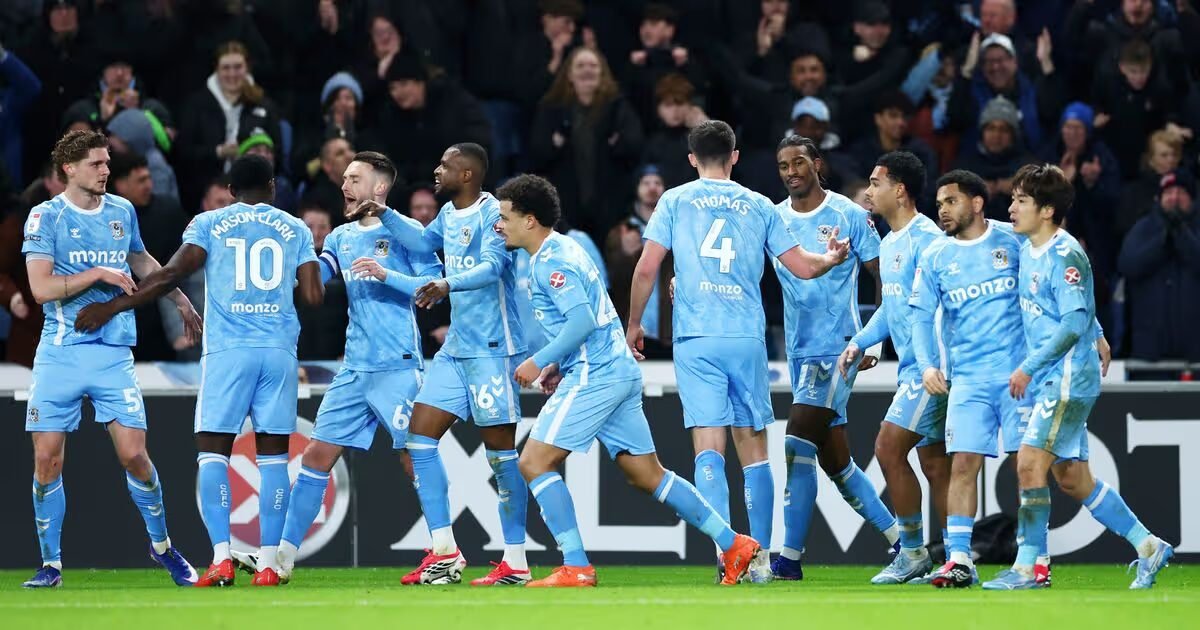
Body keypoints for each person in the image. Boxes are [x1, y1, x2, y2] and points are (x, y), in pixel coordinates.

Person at [496, 173, 763, 587]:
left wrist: (539, 359)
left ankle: (576, 566)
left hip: (596, 374)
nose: (499, 224)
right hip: (617, 370)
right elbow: (592, 318)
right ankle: (734, 545)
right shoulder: (565, 248)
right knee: (646, 474)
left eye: (505, 217)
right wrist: (557, 363)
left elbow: (582, 320)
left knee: (533, 462)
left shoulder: (551, 261)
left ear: (530, 220)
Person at [74, 154, 324, 587]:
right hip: (279, 351)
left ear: (230, 191)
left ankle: (222, 558)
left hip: (227, 352)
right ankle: (267, 565)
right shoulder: (297, 228)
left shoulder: (209, 224)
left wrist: (112, 306)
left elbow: (169, 275)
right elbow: (314, 296)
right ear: (272, 188)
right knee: (274, 459)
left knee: (213, 453)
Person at [626, 121, 850, 583]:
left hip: (696, 336)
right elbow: (803, 267)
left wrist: (634, 323)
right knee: (754, 447)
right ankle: (763, 559)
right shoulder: (760, 205)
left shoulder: (675, 200)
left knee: (709, 446)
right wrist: (830, 257)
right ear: (735, 156)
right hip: (746, 336)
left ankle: (728, 554)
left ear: (691, 158)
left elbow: (647, 267)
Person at [20, 129, 200, 588]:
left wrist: (177, 298)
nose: (106, 171)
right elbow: (40, 289)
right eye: (97, 164)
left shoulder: (121, 211)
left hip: (112, 353)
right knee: (47, 460)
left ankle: (162, 547)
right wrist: (98, 273)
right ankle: (51, 564)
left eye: (106, 163)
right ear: (70, 169)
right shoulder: (45, 219)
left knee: (135, 455)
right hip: (60, 352)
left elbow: (140, 262)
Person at [982, 164, 1172, 590]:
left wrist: (1028, 367)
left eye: (1021, 201)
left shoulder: (1064, 254)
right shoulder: (1030, 245)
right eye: (1012, 199)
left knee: (1029, 465)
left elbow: (1071, 323)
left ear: (1046, 210)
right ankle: (1148, 545)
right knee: (1071, 477)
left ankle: (1029, 569)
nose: (1011, 208)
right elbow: (1079, 306)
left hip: (1066, 375)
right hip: (1059, 373)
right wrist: (1100, 334)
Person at [255, 152, 442, 584]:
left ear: (379, 187)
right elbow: (318, 276)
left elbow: (433, 287)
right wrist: (296, 265)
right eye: (343, 178)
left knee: (415, 456)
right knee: (316, 456)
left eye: (354, 178)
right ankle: (281, 559)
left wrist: (385, 274)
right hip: (355, 368)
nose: (344, 185)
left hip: (397, 364)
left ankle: (445, 549)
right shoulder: (339, 236)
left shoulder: (407, 234)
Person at [360, 143, 529, 586]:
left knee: (500, 458)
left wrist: (446, 282)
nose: (436, 171)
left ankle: (515, 560)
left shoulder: (495, 214)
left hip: (493, 351)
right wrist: (386, 213)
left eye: (445, 165)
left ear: (468, 174)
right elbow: (421, 239)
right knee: (419, 441)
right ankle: (444, 551)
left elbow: (494, 267)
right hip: (456, 351)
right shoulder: (449, 216)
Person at [768, 136, 900, 582]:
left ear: (817, 164)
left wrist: (873, 341)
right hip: (800, 351)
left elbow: (885, 278)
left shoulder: (849, 214)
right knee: (837, 463)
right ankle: (904, 542)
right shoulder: (775, 218)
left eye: (799, 162)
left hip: (838, 347)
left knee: (795, 446)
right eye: (784, 165)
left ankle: (788, 560)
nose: (791, 172)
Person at [908, 168, 1026, 588]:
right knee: (962, 464)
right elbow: (919, 317)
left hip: (1018, 377)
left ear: (977, 203)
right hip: (968, 380)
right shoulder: (937, 255)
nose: (942, 210)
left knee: (1027, 467)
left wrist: (1096, 334)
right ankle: (960, 558)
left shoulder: (1013, 238)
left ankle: (1031, 558)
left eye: (951, 201)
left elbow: (1053, 286)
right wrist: (926, 365)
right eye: (939, 203)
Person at [840, 153, 951, 585]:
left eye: (875, 182)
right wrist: (860, 341)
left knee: (888, 448)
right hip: (913, 368)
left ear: (899, 190)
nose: (869, 191)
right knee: (935, 462)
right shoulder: (888, 244)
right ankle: (953, 555)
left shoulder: (929, 238)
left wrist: (935, 362)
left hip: (930, 368)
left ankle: (913, 552)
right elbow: (891, 307)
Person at [529, 46, 644, 243]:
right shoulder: (552, 108)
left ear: (603, 73)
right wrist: (554, 145)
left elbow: (634, 146)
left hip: (610, 204)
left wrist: (619, 145)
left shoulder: (617, 107)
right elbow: (538, 153)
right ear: (569, 75)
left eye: (593, 65)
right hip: (564, 206)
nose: (587, 70)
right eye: (580, 65)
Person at [177, 41, 281, 210]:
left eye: (238, 67)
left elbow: (278, 150)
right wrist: (218, 152)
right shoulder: (197, 104)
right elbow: (184, 151)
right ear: (216, 69)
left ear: (247, 68)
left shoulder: (263, 104)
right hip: (204, 187)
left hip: (252, 192)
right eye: (226, 68)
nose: (232, 73)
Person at [1118, 169, 1200, 362]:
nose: (1175, 198)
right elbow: (1128, 266)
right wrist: (1162, 242)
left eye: (1181, 192)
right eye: (1169, 192)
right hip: (1150, 348)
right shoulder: (1144, 227)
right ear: (1159, 198)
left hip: (1195, 348)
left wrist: (1181, 234)